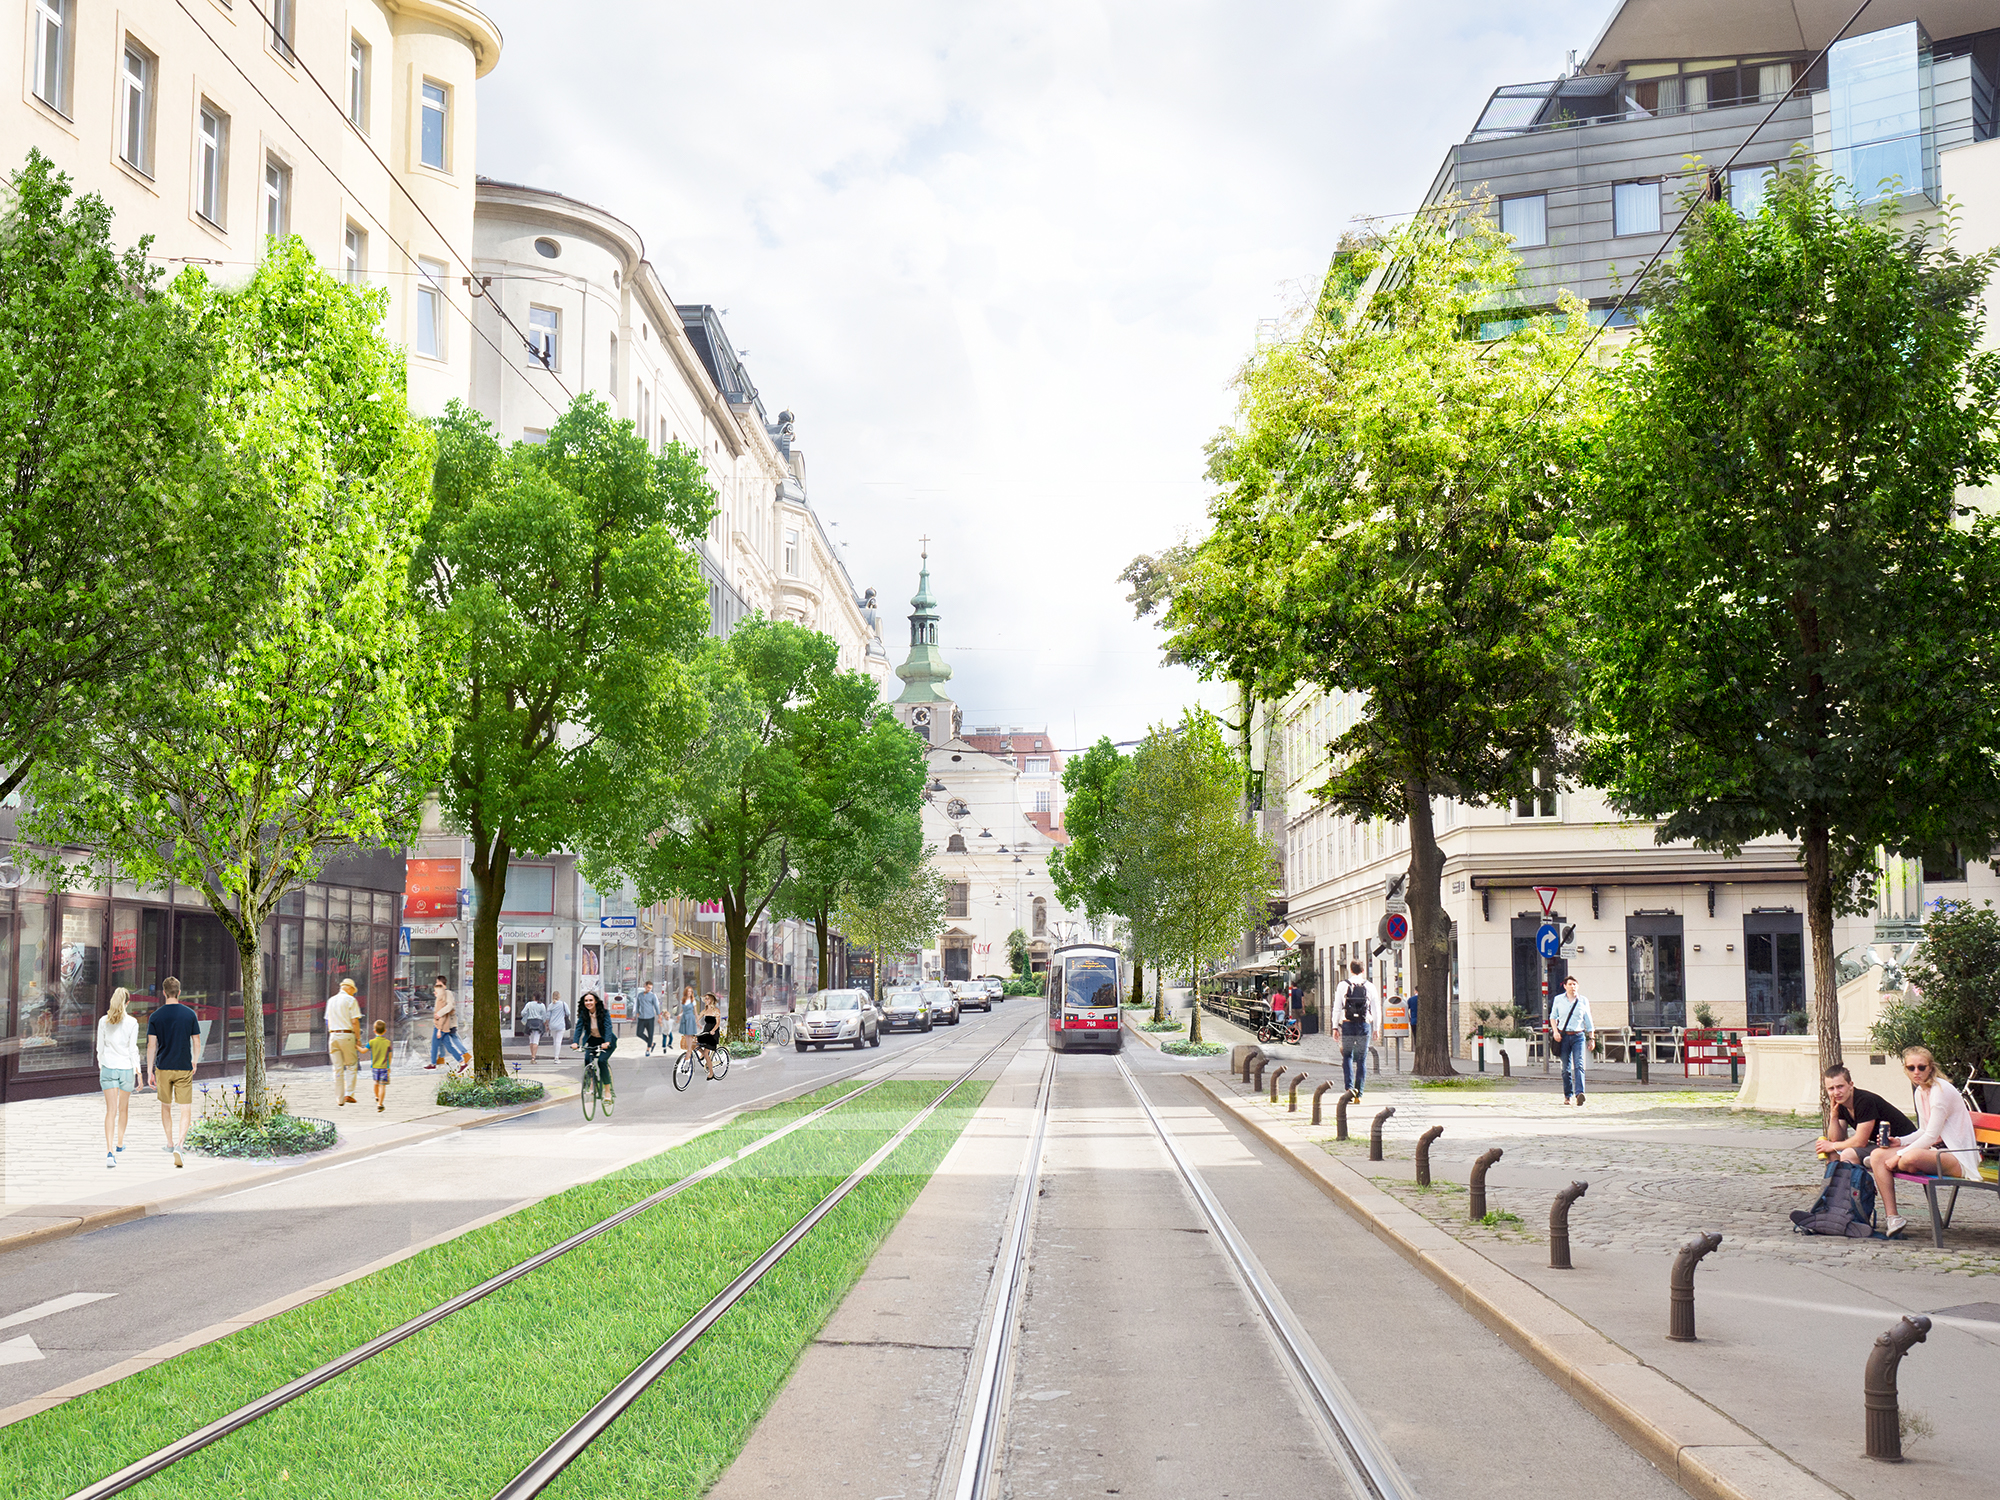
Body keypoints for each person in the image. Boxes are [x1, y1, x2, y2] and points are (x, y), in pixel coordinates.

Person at [1870, 1046, 1979, 1238]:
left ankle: (1904, 1162)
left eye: (1921, 1067)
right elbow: (1923, 1130)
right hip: (1934, 1151)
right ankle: (1893, 1218)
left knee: (1907, 1159)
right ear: (1905, 1069)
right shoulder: (1921, 1092)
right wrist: (1899, 1142)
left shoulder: (1940, 1091)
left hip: (1958, 1156)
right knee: (1877, 1155)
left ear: (1931, 1067)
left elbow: (1930, 1136)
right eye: (1911, 1068)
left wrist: (1898, 1156)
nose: (1916, 1072)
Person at [144, 977, 202, 1168]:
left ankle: (169, 1143)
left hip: (163, 1067)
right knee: (185, 1108)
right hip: (184, 1066)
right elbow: (196, 1041)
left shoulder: (156, 1016)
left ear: (163, 992)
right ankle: (180, 1144)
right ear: (179, 992)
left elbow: (151, 1046)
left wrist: (149, 1071)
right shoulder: (190, 1014)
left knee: (166, 1106)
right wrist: (194, 1060)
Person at [1814, 1063, 1915, 1165]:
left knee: (1848, 1154)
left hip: (1905, 1145)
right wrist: (1834, 1117)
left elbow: (1860, 1142)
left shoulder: (1864, 1101)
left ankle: (1855, 1181)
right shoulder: (1840, 1102)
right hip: (1882, 1145)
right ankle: (1837, 1181)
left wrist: (1832, 1146)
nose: (1836, 1092)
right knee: (1833, 1154)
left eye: (1840, 1086)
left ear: (1851, 1084)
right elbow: (1836, 1138)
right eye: (1831, 1089)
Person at [96, 986, 140, 1168]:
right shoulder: (132, 1023)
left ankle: (109, 1152)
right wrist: (138, 1072)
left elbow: (99, 1048)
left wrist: (102, 1066)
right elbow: (132, 1050)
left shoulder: (103, 1021)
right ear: (128, 1002)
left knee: (110, 1111)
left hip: (108, 1068)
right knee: (123, 1109)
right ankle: (120, 1143)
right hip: (126, 1069)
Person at [1550, 975, 1594, 1107]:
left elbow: (1588, 1021)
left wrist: (1591, 1038)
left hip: (1578, 1036)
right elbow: (1553, 1017)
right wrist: (1556, 1032)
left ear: (1578, 986)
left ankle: (1579, 1093)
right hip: (1563, 1037)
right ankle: (1567, 1095)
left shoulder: (1583, 1001)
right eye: (1570, 984)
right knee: (1566, 1068)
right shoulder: (1558, 1000)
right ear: (1565, 986)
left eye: (1574, 984)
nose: (1572, 987)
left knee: (1579, 1065)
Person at [1336, 960, 1374, 1097]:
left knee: (1347, 1056)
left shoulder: (1342, 985)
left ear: (1350, 970)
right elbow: (1375, 1008)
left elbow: (1337, 1008)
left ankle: (1349, 1089)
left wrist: (1335, 1027)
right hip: (1364, 1025)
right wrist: (1377, 1029)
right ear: (1363, 970)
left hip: (1347, 1024)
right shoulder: (1370, 986)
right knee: (1362, 1059)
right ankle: (1360, 1093)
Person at [326, 977, 363, 1106]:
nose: (353, 993)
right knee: (352, 1065)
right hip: (346, 1035)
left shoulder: (331, 1001)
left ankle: (339, 1098)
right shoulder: (350, 1000)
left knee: (337, 1068)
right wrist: (358, 1039)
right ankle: (349, 1094)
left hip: (333, 1035)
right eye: (353, 990)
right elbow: (354, 1021)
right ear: (349, 988)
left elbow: (328, 1021)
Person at [572, 990, 616, 1100]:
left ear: (595, 1001)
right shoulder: (584, 1014)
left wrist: (607, 1042)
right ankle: (591, 1084)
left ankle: (607, 1092)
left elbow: (608, 1027)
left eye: (590, 1000)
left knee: (601, 1061)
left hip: (606, 1042)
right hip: (593, 1041)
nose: (588, 1003)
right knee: (587, 1059)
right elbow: (579, 1028)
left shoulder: (604, 1013)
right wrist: (575, 1042)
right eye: (586, 1001)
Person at [427, 975, 465, 1069]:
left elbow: (449, 1007)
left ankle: (433, 1063)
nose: (435, 985)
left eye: (437, 983)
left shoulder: (447, 994)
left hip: (444, 1024)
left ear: (440, 983)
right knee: (447, 1045)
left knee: (438, 1044)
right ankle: (461, 1062)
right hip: (443, 1023)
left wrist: (439, 1014)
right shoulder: (442, 994)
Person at [367, 1019, 393, 1113]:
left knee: (375, 1083)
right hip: (384, 1068)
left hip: (374, 1067)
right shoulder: (387, 1042)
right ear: (385, 1031)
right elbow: (390, 1056)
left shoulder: (371, 1042)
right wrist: (389, 1067)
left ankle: (377, 1096)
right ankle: (380, 1104)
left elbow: (363, 1050)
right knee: (382, 1086)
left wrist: (356, 1046)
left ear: (374, 1031)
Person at [697, 993, 723, 1080]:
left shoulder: (716, 1010)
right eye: (706, 999)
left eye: (708, 998)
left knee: (706, 1053)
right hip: (706, 1031)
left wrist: (713, 1030)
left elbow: (718, 1023)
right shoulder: (704, 1011)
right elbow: (696, 1019)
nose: (706, 1000)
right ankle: (702, 1054)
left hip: (713, 1033)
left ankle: (711, 1073)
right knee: (694, 1043)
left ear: (712, 1000)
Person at [521, 992, 549, 1064]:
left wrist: (527, 1015)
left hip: (530, 1022)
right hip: (538, 1023)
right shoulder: (542, 1005)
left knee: (531, 1041)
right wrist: (545, 1023)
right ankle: (533, 1057)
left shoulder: (529, 1004)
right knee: (536, 1041)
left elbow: (522, 1013)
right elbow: (544, 1016)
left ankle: (532, 1055)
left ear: (534, 997)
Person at [634, 981, 661, 1056]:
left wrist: (659, 1016)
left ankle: (648, 1050)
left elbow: (656, 1006)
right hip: (641, 1017)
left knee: (650, 1034)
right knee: (639, 1033)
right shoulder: (640, 995)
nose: (649, 989)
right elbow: (637, 1005)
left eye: (651, 988)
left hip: (650, 1017)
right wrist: (637, 1013)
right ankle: (651, 1043)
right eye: (648, 987)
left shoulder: (652, 996)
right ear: (645, 986)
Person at [676, 984, 700, 1057]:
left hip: (690, 1018)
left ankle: (689, 1050)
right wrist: (679, 1016)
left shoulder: (693, 1001)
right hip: (684, 1018)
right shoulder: (683, 1000)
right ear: (686, 992)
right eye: (688, 991)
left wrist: (697, 1021)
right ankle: (688, 1049)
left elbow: (695, 1012)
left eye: (690, 991)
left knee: (689, 1035)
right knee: (686, 1035)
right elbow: (682, 1010)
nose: (689, 993)